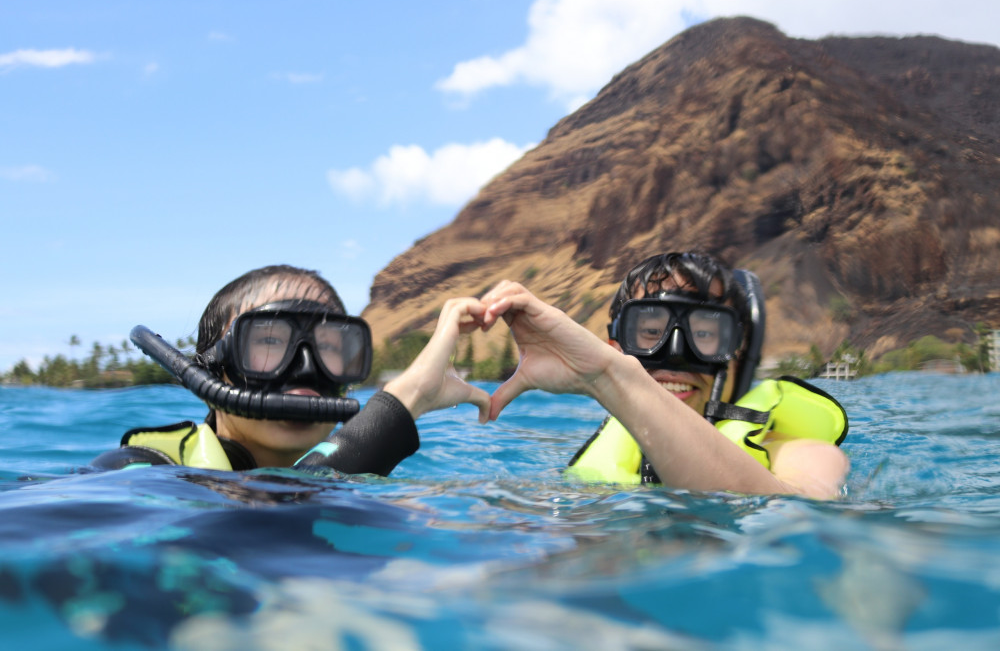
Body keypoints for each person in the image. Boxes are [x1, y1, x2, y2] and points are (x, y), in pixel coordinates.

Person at [477, 252, 849, 499]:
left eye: (704, 334)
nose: (674, 355)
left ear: (739, 354)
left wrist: (608, 377)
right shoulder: (593, 470)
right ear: (616, 346)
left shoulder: (803, 456)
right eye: (650, 332)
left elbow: (801, 513)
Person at [92, 264, 490, 474]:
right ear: (212, 370)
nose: (305, 368)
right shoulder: (143, 472)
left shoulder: (368, 488)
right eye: (268, 342)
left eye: (332, 349)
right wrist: (411, 396)